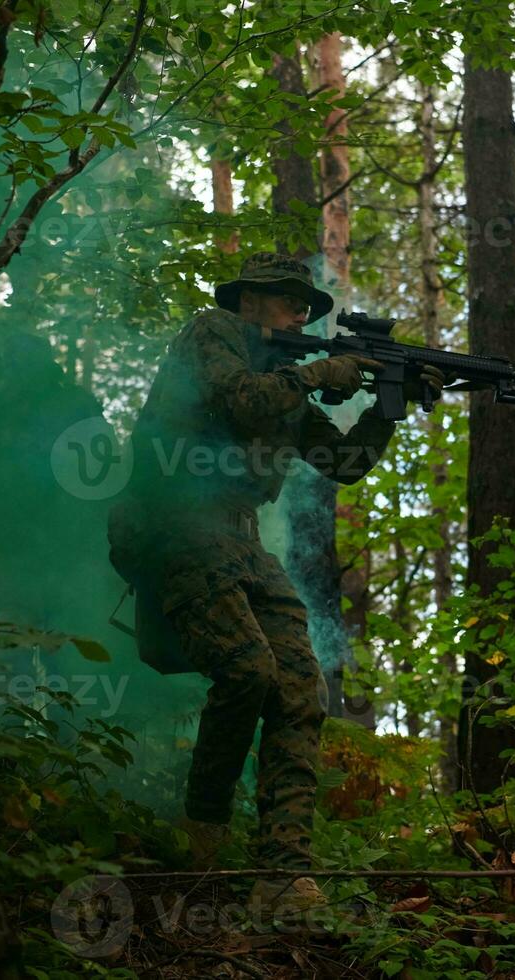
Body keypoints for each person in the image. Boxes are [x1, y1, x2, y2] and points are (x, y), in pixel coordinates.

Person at [106, 252, 445, 924]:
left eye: (306, 306)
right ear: (250, 300)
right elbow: (241, 403)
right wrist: (324, 372)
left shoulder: (283, 379)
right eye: (290, 302)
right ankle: (203, 841)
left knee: (300, 691)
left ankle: (286, 876)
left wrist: (391, 400)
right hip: (180, 524)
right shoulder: (214, 331)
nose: (301, 314)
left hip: (240, 539)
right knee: (247, 673)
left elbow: (345, 463)